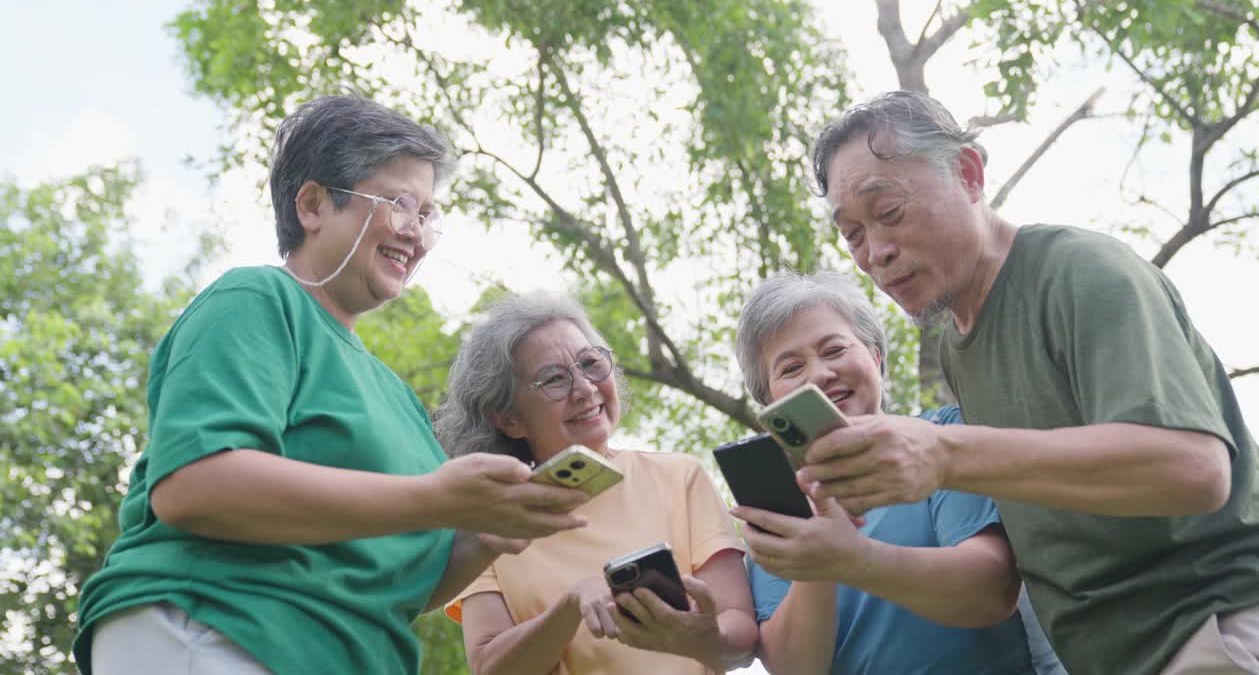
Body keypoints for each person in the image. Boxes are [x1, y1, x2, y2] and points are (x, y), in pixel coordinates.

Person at [73, 96, 591, 675]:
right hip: (218, 627)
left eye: (426, 215)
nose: (415, 234)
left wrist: (491, 530)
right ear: (314, 204)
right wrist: (438, 498)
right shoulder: (256, 301)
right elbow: (195, 485)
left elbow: (408, 581)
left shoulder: (397, 399)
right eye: (398, 204)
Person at [806, 90, 1259, 675]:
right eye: (852, 235)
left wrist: (945, 452)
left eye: (889, 212)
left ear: (969, 173)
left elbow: (1195, 469)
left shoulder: (1083, 272)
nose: (876, 252)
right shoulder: (958, 347)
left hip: (1222, 627)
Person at [731, 271, 1064, 675]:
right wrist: (817, 554)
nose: (819, 375)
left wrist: (850, 558)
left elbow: (990, 592)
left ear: (875, 357)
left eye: (834, 349)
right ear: (768, 401)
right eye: (791, 368)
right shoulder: (776, 513)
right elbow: (795, 668)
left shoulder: (942, 436)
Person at [437, 290, 758, 675]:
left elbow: (741, 634)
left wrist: (701, 637)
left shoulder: (681, 476)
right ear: (507, 419)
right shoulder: (490, 524)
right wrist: (571, 606)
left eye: (590, 363)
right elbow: (489, 667)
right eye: (554, 379)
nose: (586, 388)